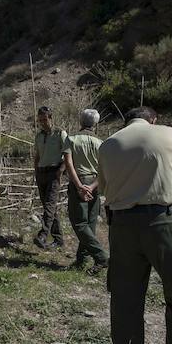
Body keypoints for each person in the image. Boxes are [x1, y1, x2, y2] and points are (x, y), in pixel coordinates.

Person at [98, 106, 172, 344]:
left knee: (125, 305)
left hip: (122, 227)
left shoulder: (108, 145)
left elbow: (105, 189)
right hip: (162, 222)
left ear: (126, 121)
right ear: (153, 120)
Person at [63, 109, 109, 273]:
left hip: (79, 180)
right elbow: (104, 169)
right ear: (95, 124)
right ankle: (82, 260)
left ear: (81, 122)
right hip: (95, 183)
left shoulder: (71, 139)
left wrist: (79, 186)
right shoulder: (101, 143)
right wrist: (93, 186)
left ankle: (101, 257)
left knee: (79, 223)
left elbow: (69, 164)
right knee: (90, 222)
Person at [33, 106, 68, 249]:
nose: (42, 123)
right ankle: (58, 239)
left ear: (51, 118)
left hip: (54, 172)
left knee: (49, 204)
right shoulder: (39, 136)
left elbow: (68, 153)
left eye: (45, 119)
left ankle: (43, 234)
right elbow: (37, 155)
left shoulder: (60, 133)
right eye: (40, 120)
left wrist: (61, 170)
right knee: (49, 207)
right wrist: (36, 171)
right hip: (41, 172)